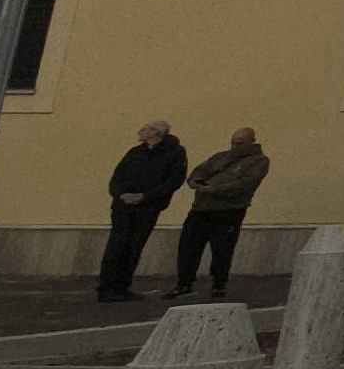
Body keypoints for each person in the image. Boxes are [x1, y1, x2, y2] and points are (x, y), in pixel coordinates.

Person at [174, 128, 271, 298]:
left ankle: (219, 283)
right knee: (188, 246)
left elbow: (246, 183)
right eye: (233, 142)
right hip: (201, 208)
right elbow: (200, 171)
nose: (234, 146)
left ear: (251, 142)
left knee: (222, 248)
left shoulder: (259, 161)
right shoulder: (220, 157)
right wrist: (196, 182)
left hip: (229, 210)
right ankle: (184, 282)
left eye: (239, 143)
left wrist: (216, 189)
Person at [98, 122, 186, 301]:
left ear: (156, 133)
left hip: (148, 208)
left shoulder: (174, 153)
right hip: (122, 207)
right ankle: (106, 287)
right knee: (116, 245)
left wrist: (145, 197)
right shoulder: (135, 152)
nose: (141, 131)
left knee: (134, 246)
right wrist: (120, 194)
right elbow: (117, 177)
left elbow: (174, 181)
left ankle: (121, 286)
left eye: (146, 129)